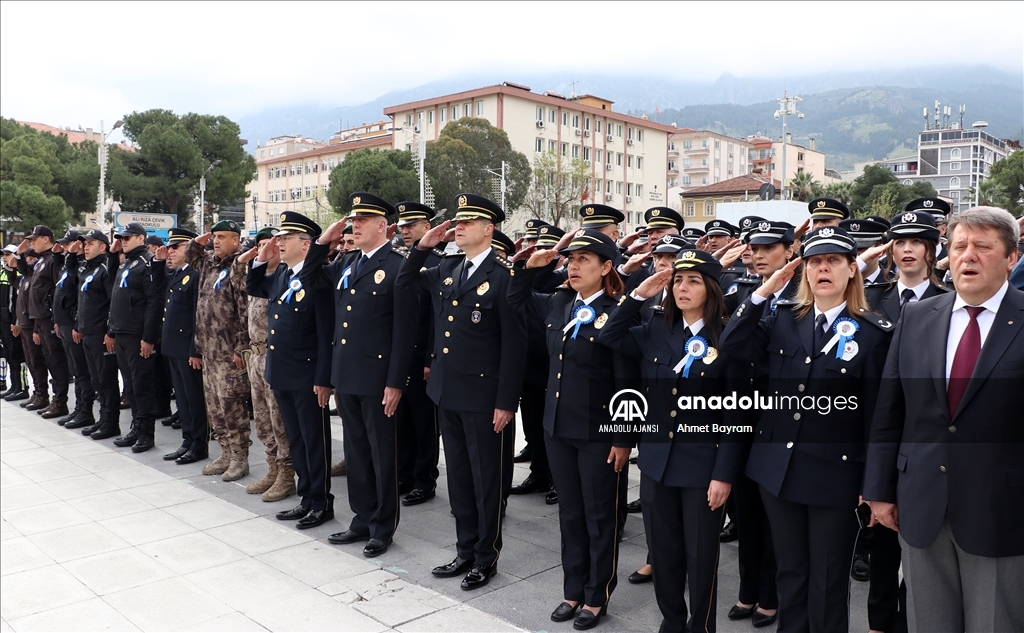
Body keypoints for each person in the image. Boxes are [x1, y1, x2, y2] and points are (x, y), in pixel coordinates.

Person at [720, 226, 894, 633]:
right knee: (790, 573)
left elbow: (878, 416)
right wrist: (764, 292)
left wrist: (874, 484)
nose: (823, 269)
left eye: (833, 260)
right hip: (776, 471)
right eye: (815, 262)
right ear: (804, 271)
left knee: (829, 580)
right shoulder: (782, 318)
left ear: (854, 269)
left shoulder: (874, 331)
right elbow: (731, 347)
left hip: (836, 475)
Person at [864, 206, 1024, 633]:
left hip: (1002, 512)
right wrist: (878, 491)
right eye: (959, 246)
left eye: (982, 247)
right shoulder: (917, 318)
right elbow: (889, 412)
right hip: (920, 505)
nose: (967, 256)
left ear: (1011, 257)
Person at [601, 249, 744, 633]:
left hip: (703, 468)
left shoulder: (727, 336)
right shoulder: (656, 329)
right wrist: (638, 294)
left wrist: (724, 475)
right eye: (678, 280)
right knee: (663, 554)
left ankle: (701, 625)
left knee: (701, 558)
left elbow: (736, 413)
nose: (683, 287)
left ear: (712, 288)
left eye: (693, 281)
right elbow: (609, 335)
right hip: (657, 463)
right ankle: (672, 620)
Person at [397, 193, 527, 590]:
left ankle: (485, 558)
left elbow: (515, 346)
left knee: (487, 482)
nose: (459, 227)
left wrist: (506, 402)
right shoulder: (447, 267)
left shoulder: (506, 276)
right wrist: (423, 247)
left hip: (485, 398)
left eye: (468, 222)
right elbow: (404, 283)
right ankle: (465, 549)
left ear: (489, 230)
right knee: (460, 479)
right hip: (446, 391)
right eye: (458, 222)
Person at [508, 229, 632, 630]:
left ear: (607, 266)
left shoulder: (618, 313)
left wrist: (624, 437)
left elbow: (628, 382)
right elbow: (515, 300)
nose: (574, 266)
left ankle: (597, 596)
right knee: (570, 514)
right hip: (557, 427)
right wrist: (529, 267)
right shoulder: (560, 303)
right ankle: (572, 589)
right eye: (571, 259)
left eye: (584, 260)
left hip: (599, 431)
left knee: (599, 515)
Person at [299, 194, 413, 551]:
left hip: (379, 380)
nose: (355, 225)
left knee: (382, 455)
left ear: (383, 226)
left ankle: (383, 526)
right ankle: (361, 519)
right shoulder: (347, 262)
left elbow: (405, 332)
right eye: (352, 220)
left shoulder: (398, 266)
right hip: (347, 374)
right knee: (357, 452)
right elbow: (308, 276)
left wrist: (396, 382)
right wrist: (322, 242)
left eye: (363, 219)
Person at [247, 211, 336, 530]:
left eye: (286, 238)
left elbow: (327, 334)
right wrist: (261, 258)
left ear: (307, 244)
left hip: (308, 375)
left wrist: (324, 379)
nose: (279, 242)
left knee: (314, 441)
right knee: (296, 441)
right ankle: (307, 497)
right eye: (279, 238)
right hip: (281, 372)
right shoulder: (282, 274)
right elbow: (254, 287)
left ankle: (321, 502)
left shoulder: (319, 278)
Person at [185, 221, 252, 479]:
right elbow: (191, 256)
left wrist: (241, 347)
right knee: (214, 407)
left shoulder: (239, 265)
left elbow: (245, 310)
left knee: (232, 407)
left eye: (222, 237)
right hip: (209, 351)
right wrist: (199, 240)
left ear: (236, 240)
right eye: (214, 237)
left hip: (229, 353)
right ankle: (224, 452)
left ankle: (239, 458)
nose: (216, 241)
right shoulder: (210, 262)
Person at [236, 227, 295, 502]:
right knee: (261, 418)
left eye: (274, 243)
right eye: (263, 245)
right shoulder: (259, 277)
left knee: (278, 418)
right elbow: (245, 282)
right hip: (255, 356)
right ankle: (272, 467)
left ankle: (287, 473)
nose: (269, 248)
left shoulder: (284, 278)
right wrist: (257, 259)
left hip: (274, 356)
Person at [395, 201, 443, 506]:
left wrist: (429, 360)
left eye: (411, 225)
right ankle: (405, 473)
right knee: (403, 420)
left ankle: (425, 479)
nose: (405, 231)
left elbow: (439, 319)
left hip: (423, 355)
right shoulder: (400, 261)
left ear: (428, 227)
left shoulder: (439, 263)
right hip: (401, 355)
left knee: (425, 423)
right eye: (402, 226)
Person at [108, 222, 166, 453]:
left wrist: (149, 337)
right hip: (122, 331)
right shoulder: (126, 262)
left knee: (142, 384)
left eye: (127, 237)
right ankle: (136, 425)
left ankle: (146, 432)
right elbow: (112, 284)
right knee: (130, 385)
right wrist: (113, 253)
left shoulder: (147, 263)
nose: (123, 241)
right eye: (121, 238)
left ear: (141, 238)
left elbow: (154, 302)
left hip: (137, 334)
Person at [153, 228, 209, 465]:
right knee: (182, 400)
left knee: (193, 398)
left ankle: (199, 444)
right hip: (172, 347)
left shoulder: (196, 274)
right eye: (169, 246)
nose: (170, 251)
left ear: (190, 247)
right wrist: (158, 261)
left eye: (175, 247)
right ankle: (187, 441)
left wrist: (195, 349)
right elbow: (156, 286)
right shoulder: (177, 274)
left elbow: (198, 315)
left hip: (187, 349)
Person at [69, 230, 122, 439]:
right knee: (96, 380)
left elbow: (112, 302)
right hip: (87, 332)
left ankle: (111, 423)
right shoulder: (87, 269)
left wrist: (110, 332)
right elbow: (82, 301)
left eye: (91, 243)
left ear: (103, 247)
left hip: (101, 334)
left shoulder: (105, 269)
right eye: (85, 244)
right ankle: (101, 419)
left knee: (107, 380)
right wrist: (77, 325)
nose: (86, 247)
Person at [16, 225, 70, 418]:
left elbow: (58, 291)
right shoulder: (40, 262)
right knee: (48, 359)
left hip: (49, 319)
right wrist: (20, 256)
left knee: (56, 360)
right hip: (39, 319)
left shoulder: (53, 261)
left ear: (45, 239)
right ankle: (52, 398)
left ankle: (60, 401)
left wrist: (56, 318)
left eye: (34, 239)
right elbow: (26, 273)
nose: (31, 243)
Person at [51, 230, 95, 428]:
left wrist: (76, 324)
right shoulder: (68, 265)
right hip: (65, 323)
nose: (66, 247)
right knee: (76, 370)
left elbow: (78, 298)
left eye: (69, 244)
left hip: (75, 324)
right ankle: (78, 408)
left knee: (82, 371)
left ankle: (85, 410)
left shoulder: (81, 266)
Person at [12, 248, 48, 410]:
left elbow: (35, 306)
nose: (28, 260)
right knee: (31, 362)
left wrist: (36, 329)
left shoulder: (35, 278)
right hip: (24, 325)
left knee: (37, 361)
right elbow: (14, 278)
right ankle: (37, 391)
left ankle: (43, 394)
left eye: (31, 258)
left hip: (32, 326)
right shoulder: (25, 277)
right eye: (26, 258)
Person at [1, 245, 28, 401]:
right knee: (10, 354)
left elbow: (18, 302)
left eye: (8, 254)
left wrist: (16, 321)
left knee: (19, 356)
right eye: (3, 254)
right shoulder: (3, 273)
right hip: (3, 320)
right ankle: (14, 386)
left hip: (13, 321)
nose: (5, 257)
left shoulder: (18, 274)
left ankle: (23, 388)